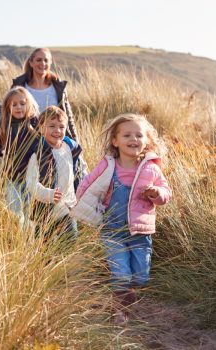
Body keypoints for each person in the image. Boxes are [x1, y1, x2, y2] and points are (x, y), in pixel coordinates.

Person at [71, 113, 171, 324]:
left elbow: (165, 193)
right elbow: (87, 185)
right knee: (121, 274)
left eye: (138, 135)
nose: (133, 139)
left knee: (141, 276)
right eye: (127, 135)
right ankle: (119, 309)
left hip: (140, 232)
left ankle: (127, 295)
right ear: (115, 141)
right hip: (112, 230)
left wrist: (156, 194)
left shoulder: (151, 168)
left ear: (147, 141)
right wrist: (88, 208)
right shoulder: (108, 166)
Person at [25, 106, 86, 240]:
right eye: (52, 126)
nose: (57, 130)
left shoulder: (70, 149)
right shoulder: (38, 153)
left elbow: (79, 171)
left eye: (61, 127)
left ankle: (65, 260)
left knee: (71, 240)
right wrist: (49, 194)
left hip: (67, 207)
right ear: (41, 127)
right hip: (45, 209)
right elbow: (31, 182)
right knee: (43, 245)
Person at [0, 86, 39, 226]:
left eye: (22, 103)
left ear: (29, 104)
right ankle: (19, 241)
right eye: (14, 105)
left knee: (31, 214)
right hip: (11, 178)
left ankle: (31, 243)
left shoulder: (37, 124)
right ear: (8, 108)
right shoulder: (5, 127)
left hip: (33, 178)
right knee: (16, 214)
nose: (19, 107)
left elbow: (49, 144)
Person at [12, 48, 78, 140]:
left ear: (50, 63)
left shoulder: (58, 86)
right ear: (31, 62)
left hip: (54, 140)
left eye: (46, 60)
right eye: (39, 60)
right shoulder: (19, 85)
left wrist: (75, 143)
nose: (43, 63)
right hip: (26, 140)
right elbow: (8, 114)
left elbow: (68, 117)